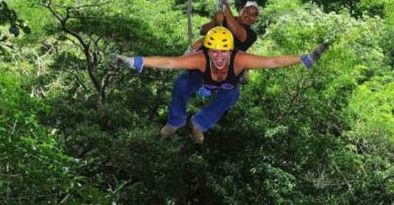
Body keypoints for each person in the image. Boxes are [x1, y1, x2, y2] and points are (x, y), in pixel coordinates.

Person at [111, 26, 330, 144]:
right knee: (181, 82)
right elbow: (171, 62)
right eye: (214, 51)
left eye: (223, 51)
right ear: (208, 50)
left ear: (230, 50)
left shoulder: (240, 59)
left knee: (232, 95)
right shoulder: (200, 58)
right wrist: (136, 61)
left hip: (226, 86)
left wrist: (304, 59)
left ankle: (199, 124)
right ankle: (176, 121)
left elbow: (270, 61)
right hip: (202, 79)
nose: (218, 56)